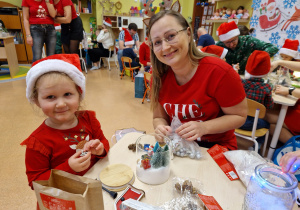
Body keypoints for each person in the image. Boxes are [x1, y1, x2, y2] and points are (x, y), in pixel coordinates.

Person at [149, 10, 247, 150]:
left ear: (188, 34)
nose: (165, 47)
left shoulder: (219, 71)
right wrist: (160, 127)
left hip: (215, 147)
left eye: (171, 36)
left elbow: (239, 115)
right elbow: (158, 117)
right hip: (178, 146)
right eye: (157, 42)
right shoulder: (159, 77)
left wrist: (204, 127)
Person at [20, 54, 110, 190]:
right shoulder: (37, 142)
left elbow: (104, 142)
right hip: (64, 197)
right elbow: (35, 181)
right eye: (50, 97)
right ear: (37, 101)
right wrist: (68, 168)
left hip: (95, 187)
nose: (61, 104)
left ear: (79, 95)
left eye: (67, 94)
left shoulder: (89, 119)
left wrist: (100, 149)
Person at [239, 51, 273, 146]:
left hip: (235, 120)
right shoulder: (266, 88)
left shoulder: (240, 83)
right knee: (267, 125)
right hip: (252, 124)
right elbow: (269, 106)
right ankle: (256, 147)